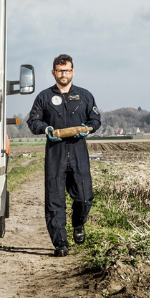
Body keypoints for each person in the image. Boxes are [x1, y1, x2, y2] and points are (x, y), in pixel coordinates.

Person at [27, 54, 101, 257]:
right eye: (60, 71)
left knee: (85, 197)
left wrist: (90, 128)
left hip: (78, 151)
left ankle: (78, 223)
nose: (63, 74)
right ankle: (60, 243)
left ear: (73, 72)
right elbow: (33, 122)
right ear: (53, 73)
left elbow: (95, 119)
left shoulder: (85, 96)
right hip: (55, 153)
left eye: (67, 70)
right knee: (55, 200)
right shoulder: (44, 97)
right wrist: (46, 129)